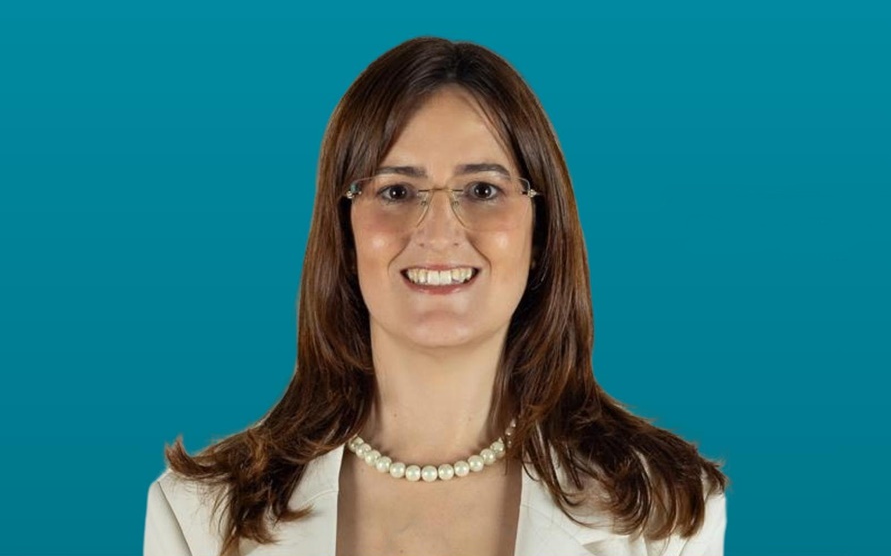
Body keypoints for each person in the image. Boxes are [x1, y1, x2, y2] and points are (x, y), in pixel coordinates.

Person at [144, 36, 727, 556]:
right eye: (397, 191)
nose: (439, 233)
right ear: (344, 231)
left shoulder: (668, 514)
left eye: (483, 190)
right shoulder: (200, 518)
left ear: (540, 231)